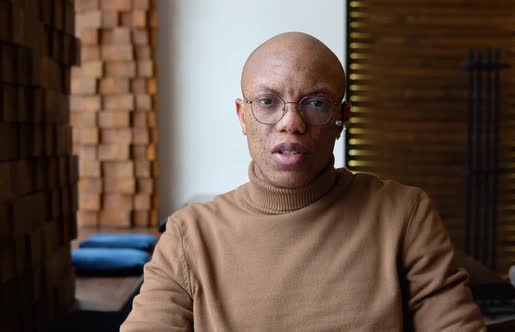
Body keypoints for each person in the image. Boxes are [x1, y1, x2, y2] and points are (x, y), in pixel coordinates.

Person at [121, 32, 485, 331]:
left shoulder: (403, 214)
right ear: (242, 116)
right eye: (267, 101)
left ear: (342, 117)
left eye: (316, 103)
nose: (291, 123)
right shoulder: (189, 235)